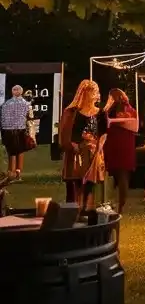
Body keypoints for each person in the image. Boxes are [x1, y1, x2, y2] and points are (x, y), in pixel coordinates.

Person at [59, 80, 108, 210]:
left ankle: (89, 212)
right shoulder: (71, 112)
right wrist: (73, 146)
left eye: (97, 91)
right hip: (75, 153)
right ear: (85, 93)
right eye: (94, 91)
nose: (96, 94)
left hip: (93, 153)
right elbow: (65, 134)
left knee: (90, 185)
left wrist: (98, 148)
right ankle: (73, 213)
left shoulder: (101, 113)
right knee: (74, 186)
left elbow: (103, 133)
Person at [102, 89, 139, 213]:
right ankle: (120, 205)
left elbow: (106, 120)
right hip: (125, 146)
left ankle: (113, 203)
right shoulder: (130, 109)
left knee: (115, 175)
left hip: (117, 145)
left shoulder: (116, 110)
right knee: (123, 176)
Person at [2, 84, 34, 181]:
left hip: (7, 130)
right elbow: (30, 116)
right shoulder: (26, 104)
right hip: (20, 130)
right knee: (20, 151)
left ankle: (10, 172)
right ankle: (18, 173)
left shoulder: (6, 104)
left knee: (11, 151)